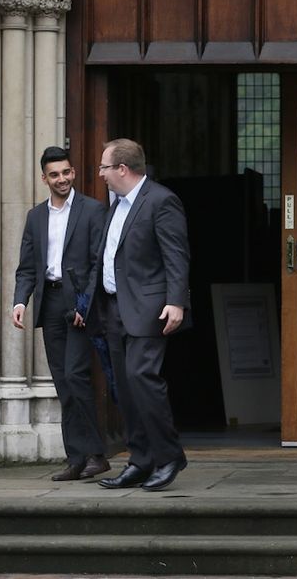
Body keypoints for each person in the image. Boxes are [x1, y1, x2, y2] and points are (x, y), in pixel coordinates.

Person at [92, 138, 191, 491]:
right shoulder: (115, 205)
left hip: (149, 308)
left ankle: (169, 457)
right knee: (126, 387)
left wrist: (176, 301)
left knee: (142, 378)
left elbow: (176, 255)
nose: (100, 173)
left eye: (104, 166)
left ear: (122, 168)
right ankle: (141, 459)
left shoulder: (161, 201)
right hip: (114, 307)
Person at [13, 146, 111, 481]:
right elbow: (27, 266)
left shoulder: (93, 211)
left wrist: (86, 303)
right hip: (49, 304)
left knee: (75, 375)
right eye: (54, 174)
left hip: (78, 305)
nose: (62, 179)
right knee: (62, 383)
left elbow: (99, 262)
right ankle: (77, 458)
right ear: (44, 179)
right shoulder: (35, 217)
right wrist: (19, 301)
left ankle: (97, 453)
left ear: (73, 173)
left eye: (66, 172)